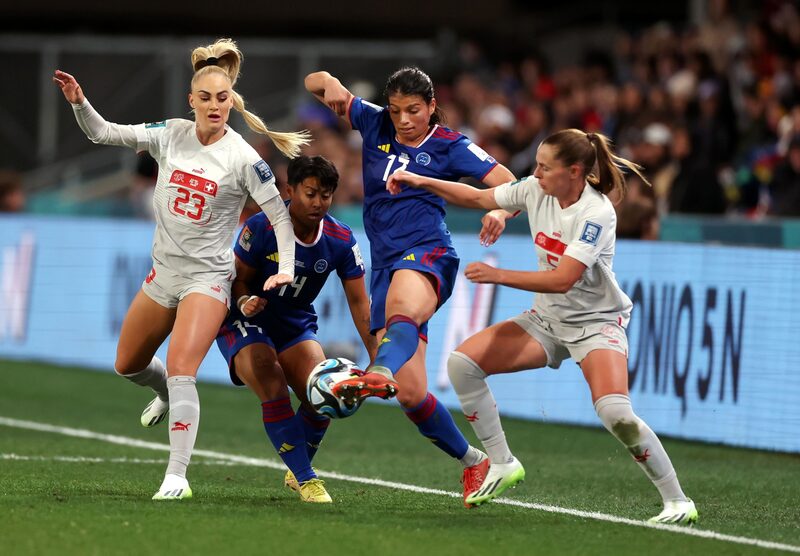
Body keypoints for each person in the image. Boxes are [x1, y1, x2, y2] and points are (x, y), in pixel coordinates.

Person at [386, 128, 699, 525]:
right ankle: (502, 463)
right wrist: (421, 180)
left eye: (544, 167)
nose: (535, 173)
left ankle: (677, 501)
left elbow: (563, 279)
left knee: (616, 413)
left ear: (574, 171)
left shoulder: (596, 213)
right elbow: (479, 197)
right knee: (462, 364)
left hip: (595, 324)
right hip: (548, 321)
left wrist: (499, 276)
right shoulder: (537, 189)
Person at [53, 38, 309, 500]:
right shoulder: (170, 133)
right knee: (127, 364)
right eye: (206, 98)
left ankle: (177, 475)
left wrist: (286, 268)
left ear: (232, 101)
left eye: (223, 98)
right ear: (191, 101)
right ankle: (167, 397)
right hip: (163, 274)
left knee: (181, 367)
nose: (215, 106)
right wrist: (80, 104)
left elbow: (279, 217)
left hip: (207, 280)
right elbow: (104, 133)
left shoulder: (244, 157)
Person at [304, 67, 517, 507]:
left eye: (414, 111)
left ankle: (375, 371)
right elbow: (316, 80)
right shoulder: (373, 120)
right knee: (412, 394)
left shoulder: (451, 145)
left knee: (402, 308)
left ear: (432, 107)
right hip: (384, 264)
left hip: (428, 253)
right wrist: (331, 87)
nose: (403, 120)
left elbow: (510, 185)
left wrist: (501, 213)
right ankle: (476, 460)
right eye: (397, 110)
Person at [215, 155, 376, 503]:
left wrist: (380, 359)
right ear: (290, 191)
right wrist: (245, 302)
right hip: (245, 319)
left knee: (326, 395)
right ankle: (307, 479)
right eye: (310, 193)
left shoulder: (341, 240)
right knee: (270, 381)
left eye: (326, 195)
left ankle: (296, 467)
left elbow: (361, 305)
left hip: (294, 322)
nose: (318, 203)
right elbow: (237, 281)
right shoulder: (260, 227)